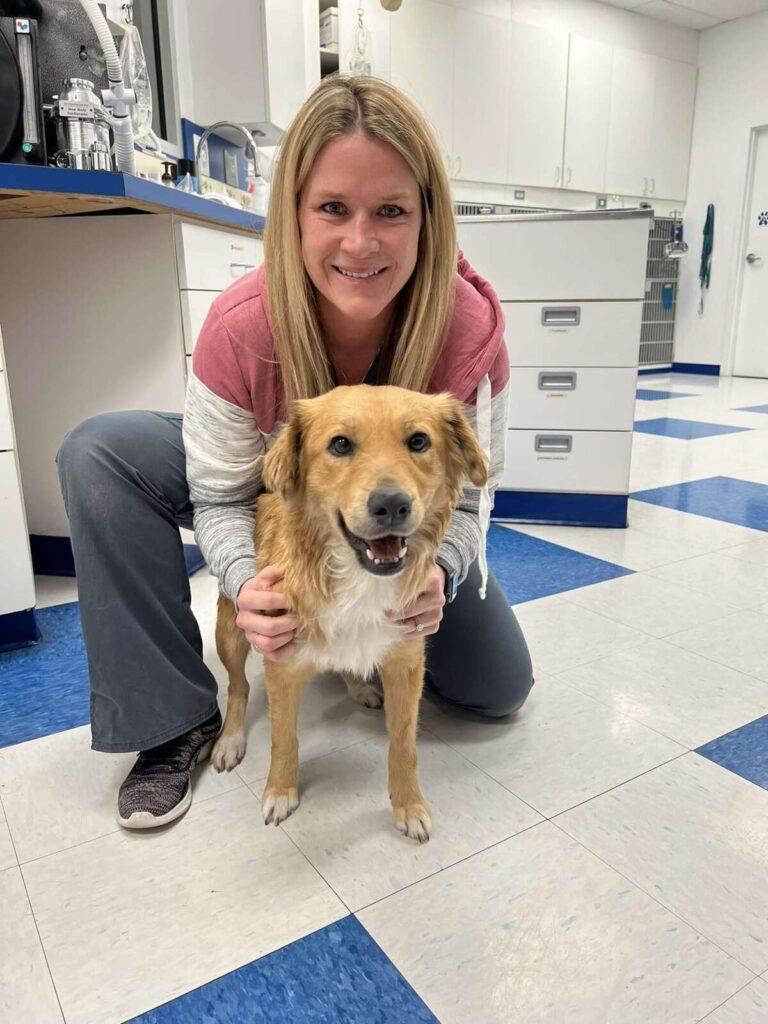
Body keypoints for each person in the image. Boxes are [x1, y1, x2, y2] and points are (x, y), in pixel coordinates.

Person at [56, 75, 533, 831]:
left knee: (498, 687)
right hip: (261, 480)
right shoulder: (243, 322)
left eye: (391, 211)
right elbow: (219, 494)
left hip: (400, 528)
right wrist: (247, 585)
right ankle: (170, 720)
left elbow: (471, 496)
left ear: (428, 218)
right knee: (100, 453)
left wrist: (440, 571)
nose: (360, 242)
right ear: (295, 214)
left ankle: (359, 648)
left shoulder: (470, 333)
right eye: (333, 208)